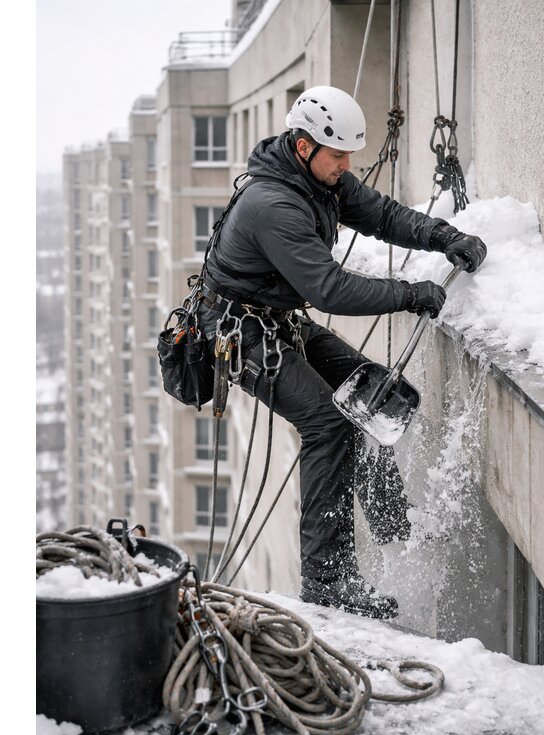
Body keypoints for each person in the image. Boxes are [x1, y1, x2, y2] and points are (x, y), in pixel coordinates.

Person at [198, 85, 486, 619]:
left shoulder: (320, 178)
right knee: (327, 423)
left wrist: (444, 235)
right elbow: (329, 290)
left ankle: (392, 520)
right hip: (238, 332)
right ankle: (327, 581)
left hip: (273, 320)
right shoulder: (273, 204)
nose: (347, 165)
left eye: (349, 154)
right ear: (305, 147)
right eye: (338, 155)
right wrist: (410, 293)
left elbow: (382, 215)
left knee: (373, 390)